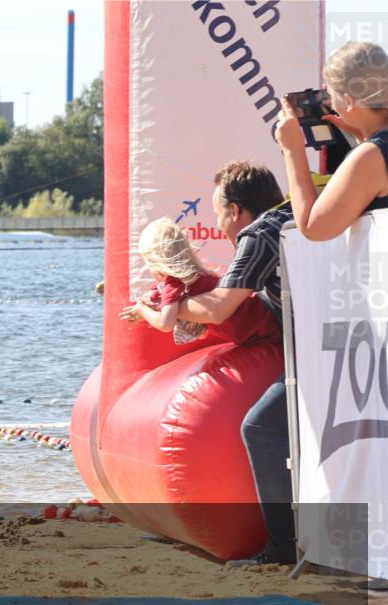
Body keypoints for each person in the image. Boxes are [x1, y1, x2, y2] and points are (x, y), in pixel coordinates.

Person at [177, 161, 294, 565]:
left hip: (327, 354)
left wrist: (168, 307)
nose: (221, 227)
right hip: (354, 345)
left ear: (236, 210)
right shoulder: (297, 214)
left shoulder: (258, 233)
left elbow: (219, 309)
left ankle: (283, 546)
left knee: (260, 428)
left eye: (218, 215)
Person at [276, 41, 388, 240]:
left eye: (330, 94)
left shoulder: (371, 156)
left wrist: (293, 150)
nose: (329, 101)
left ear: (350, 101)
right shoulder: (373, 152)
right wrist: (363, 137)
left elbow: (314, 228)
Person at [119, 218, 279, 345]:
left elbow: (165, 324)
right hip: (261, 317)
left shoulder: (174, 284)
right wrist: (152, 298)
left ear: (155, 261)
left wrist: (143, 311)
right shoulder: (190, 278)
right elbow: (162, 293)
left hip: (262, 324)